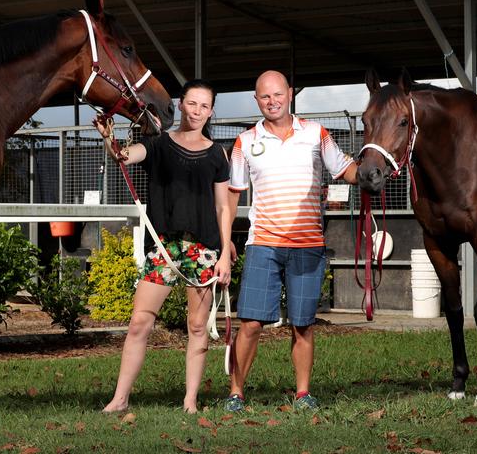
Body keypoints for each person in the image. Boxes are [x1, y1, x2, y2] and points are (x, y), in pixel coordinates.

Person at [94, 79, 232, 414]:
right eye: (192, 103)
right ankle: (120, 399)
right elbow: (124, 156)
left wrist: (226, 253)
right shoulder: (158, 144)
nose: (197, 111)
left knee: (198, 327)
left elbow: (223, 207)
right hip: (163, 248)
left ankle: (190, 401)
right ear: (181, 104)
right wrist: (109, 138)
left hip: (203, 250)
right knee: (140, 322)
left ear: (211, 111)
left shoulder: (217, 153)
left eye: (204, 106)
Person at [225, 70, 358, 412]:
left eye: (277, 94)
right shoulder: (244, 142)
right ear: (257, 100)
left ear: (290, 94)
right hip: (263, 244)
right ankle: (236, 393)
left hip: (307, 245)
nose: (272, 101)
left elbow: (345, 170)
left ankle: (302, 394)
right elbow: (232, 197)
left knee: (303, 324)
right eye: (265, 97)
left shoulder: (316, 134)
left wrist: (375, 170)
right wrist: (226, 241)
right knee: (251, 323)